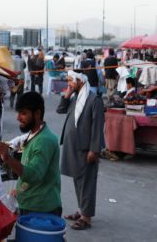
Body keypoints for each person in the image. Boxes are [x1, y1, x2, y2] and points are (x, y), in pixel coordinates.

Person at [0, 91, 62, 216]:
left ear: (37, 114)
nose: (18, 118)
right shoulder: (34, 134)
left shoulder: (44, 141)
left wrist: (7, 157)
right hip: (30, 204)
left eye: (23, 113)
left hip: (41, 210)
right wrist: (19, 190)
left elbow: (33, 175)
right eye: (18, 113)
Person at [60, 70, 104, 231]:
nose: (69, 83)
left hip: (86, 149)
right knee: (78, 180)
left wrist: (94, 149)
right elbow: (60, 109)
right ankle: (81, 210)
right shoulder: (77, 97)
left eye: (71, 81)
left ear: (80, 80)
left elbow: (98, 127)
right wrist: (67, 93)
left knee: (87, 183)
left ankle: (86, 218)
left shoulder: (94, 100)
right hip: (74, 147)